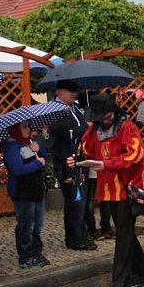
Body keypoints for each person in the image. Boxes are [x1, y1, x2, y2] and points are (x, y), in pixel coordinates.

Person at [73, 93, 144, 287]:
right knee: (127, 233)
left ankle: (120, 285)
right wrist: (79, 154)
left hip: (129, 189)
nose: (102, 120)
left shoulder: (127, 127)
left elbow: (135, 155)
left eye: (104, 116)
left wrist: (107, 164)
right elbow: (87, 149)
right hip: (109, 190)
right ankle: (142, 274)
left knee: (123, 236)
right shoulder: (95, 129)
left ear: (112, 112)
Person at [48, 79, 96, 251]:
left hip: (79, 159)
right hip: (65, 161)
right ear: (59, 91)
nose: (74, 95)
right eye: (70, 91)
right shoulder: (54, 110)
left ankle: (79, 235)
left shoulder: (74, 108)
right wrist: (85, 129)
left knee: (80, 200)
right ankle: (76, 238)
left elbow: (81, 127)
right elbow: (71, 130)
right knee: (75, 200)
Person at [3, 121, 49, 269]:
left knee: (37, 223)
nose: (28, 129)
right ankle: (25, 255)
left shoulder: (29, 142)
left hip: (36, 190)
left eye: (29, 126)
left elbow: (43, 154)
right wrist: (38, 164)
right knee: (26, 224)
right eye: (24, 127)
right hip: (23, 192)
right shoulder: (12, 147)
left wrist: (39, 149)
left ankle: (35, 251)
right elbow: (17, 169)